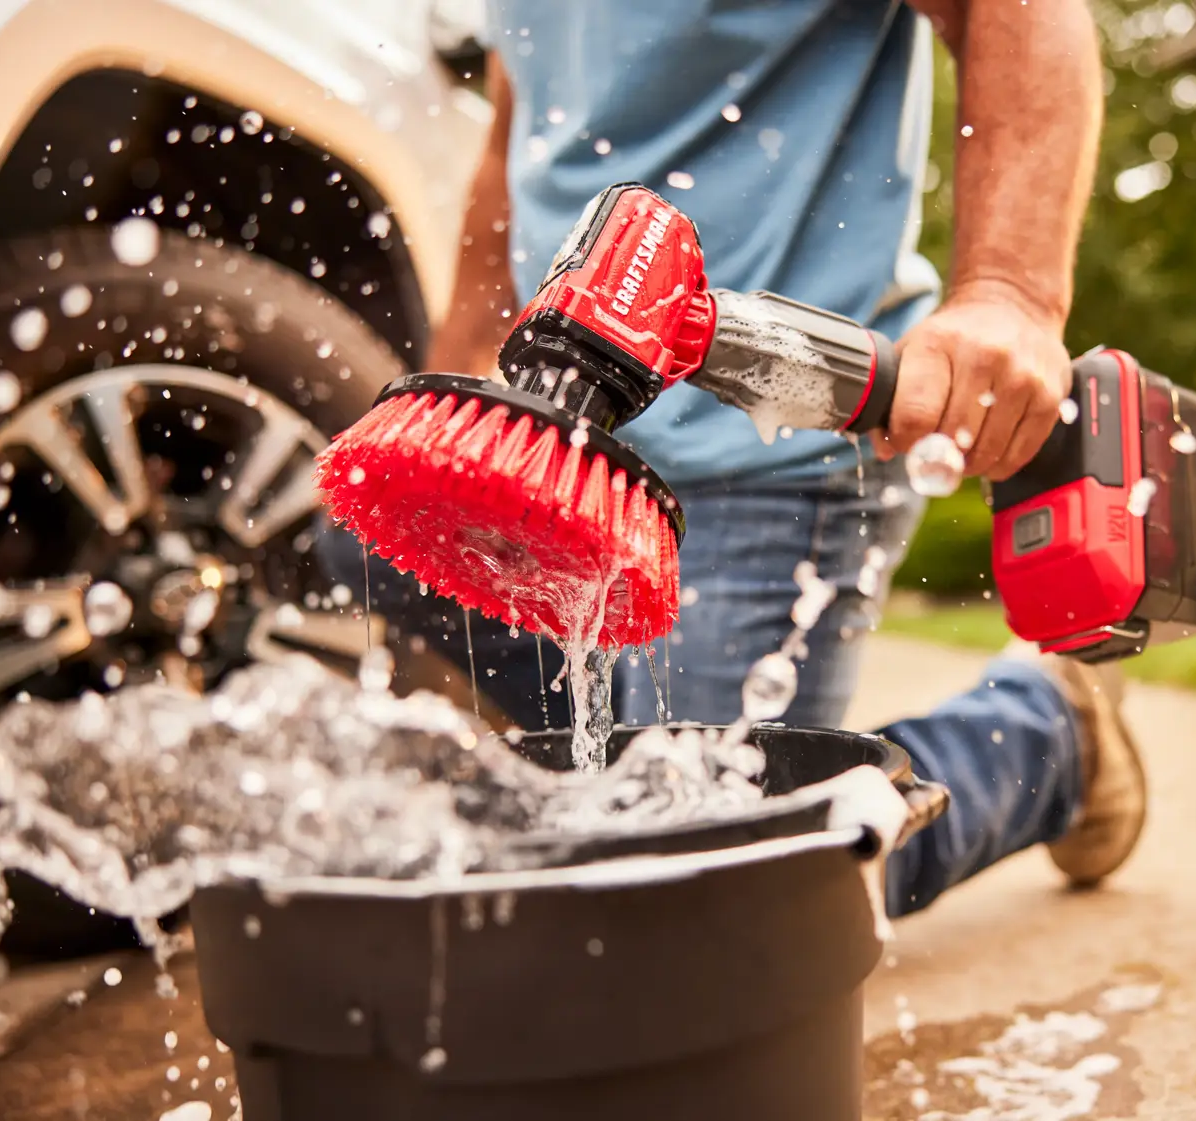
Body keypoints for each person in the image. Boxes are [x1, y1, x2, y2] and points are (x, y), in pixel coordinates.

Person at [321, 0, 1145, 915]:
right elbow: (520, 134)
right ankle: (613, 786)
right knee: (356, 554)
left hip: (775, 451)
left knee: (720, 899)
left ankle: (1045, 729)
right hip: (574, 463)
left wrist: (1010, 290)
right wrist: (466, 353)